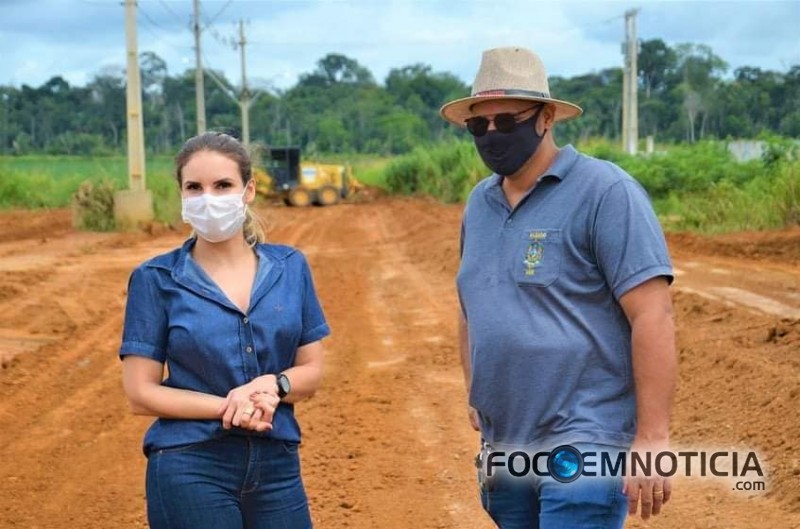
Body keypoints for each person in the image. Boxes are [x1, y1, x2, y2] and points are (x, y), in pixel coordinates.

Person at [440, 47, 676, 528]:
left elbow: (652, 314)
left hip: (586, 435)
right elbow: (473, 304)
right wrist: (475, 393)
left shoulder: (606, 193)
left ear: (546, 117)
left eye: (506, 122)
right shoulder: (479, 204)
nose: (491, 135)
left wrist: (653, 437)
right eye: (478, 126)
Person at [119, 131, 329, 529]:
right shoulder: (155, 279)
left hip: (277, 464)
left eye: (223, 185)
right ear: (181, 194)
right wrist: (231, 408)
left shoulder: (290, 267)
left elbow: (312, 371)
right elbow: (139, 392)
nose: (208, 198)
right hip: (190, 463)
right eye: (194, 187)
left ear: (248, 191)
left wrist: (272, 385)